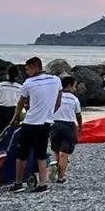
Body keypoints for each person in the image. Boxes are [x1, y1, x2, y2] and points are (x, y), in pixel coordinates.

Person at [9, 57, 62, 193]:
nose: (26, 72)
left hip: (30, 122)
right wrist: (49, 113)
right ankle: (42, 184)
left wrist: (15, 118)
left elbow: (21, 102)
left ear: (34, 67)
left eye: (27, 69)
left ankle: (18, 182)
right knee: (41, 153)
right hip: (46, 123)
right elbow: (58, 102)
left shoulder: (29, 83)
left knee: (22, 154)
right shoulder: (56, 80)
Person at [50, 75, 83, 184]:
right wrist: (80, 127)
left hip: (54, 125)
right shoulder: (74, 99)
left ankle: (55, 164)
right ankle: (60, 177)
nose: (75, 88)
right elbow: (78, 115)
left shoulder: (55, 96)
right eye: (75, 86)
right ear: (69, 85)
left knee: (56, 150)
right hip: (68, 126)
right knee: (64, 153)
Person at [0, 66, 23, 140]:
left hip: (1, 110)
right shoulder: (20, 87)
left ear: (7, 75)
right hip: (14, 111)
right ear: (17, 76)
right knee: (11, 131)